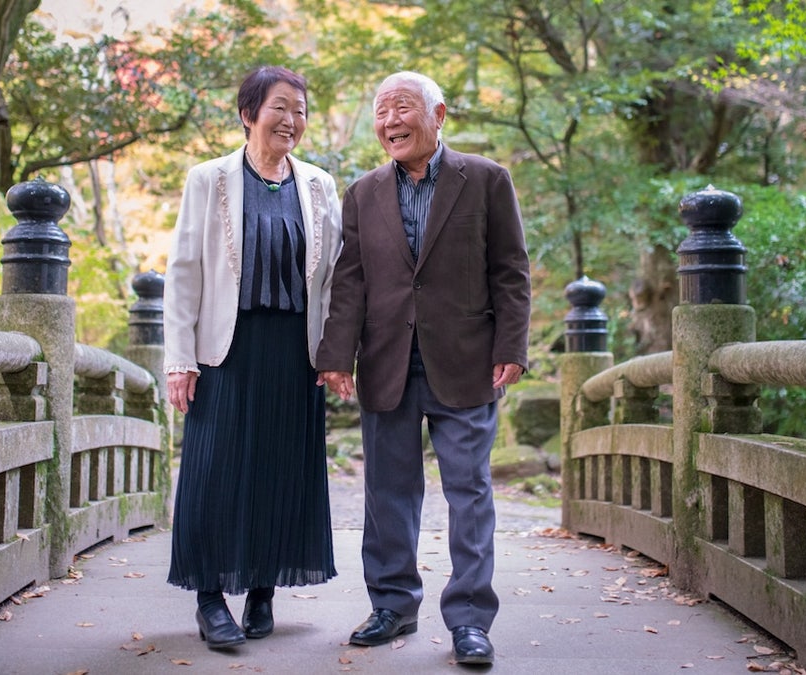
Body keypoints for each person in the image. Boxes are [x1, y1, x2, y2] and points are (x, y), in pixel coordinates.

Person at [316, 71, 531, 666]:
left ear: (439, 114)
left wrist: (512, 345)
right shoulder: (362, 194)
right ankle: (392, 605)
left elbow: (510, 271)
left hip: (467, 363)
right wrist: (336, 356)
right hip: (387, 362)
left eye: (402, 108)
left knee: (469, 493)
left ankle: (468, 620)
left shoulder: (485, 179)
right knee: (387, 494)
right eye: (382, 112)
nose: (390, 122)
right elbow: (350, 282)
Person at [164, 65, 341, 650]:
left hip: (295, 353)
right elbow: (184, 273)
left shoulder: (318, 185)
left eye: (300, 109)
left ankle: (263, 587)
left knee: (281, 469)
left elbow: (336, 278)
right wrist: (178, 358)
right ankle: (211, 597)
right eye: (280, 107)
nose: (291, 120)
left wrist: (337, 353)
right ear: (248, 113)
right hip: (226, 351)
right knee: (215, 472)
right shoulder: (208, 179)